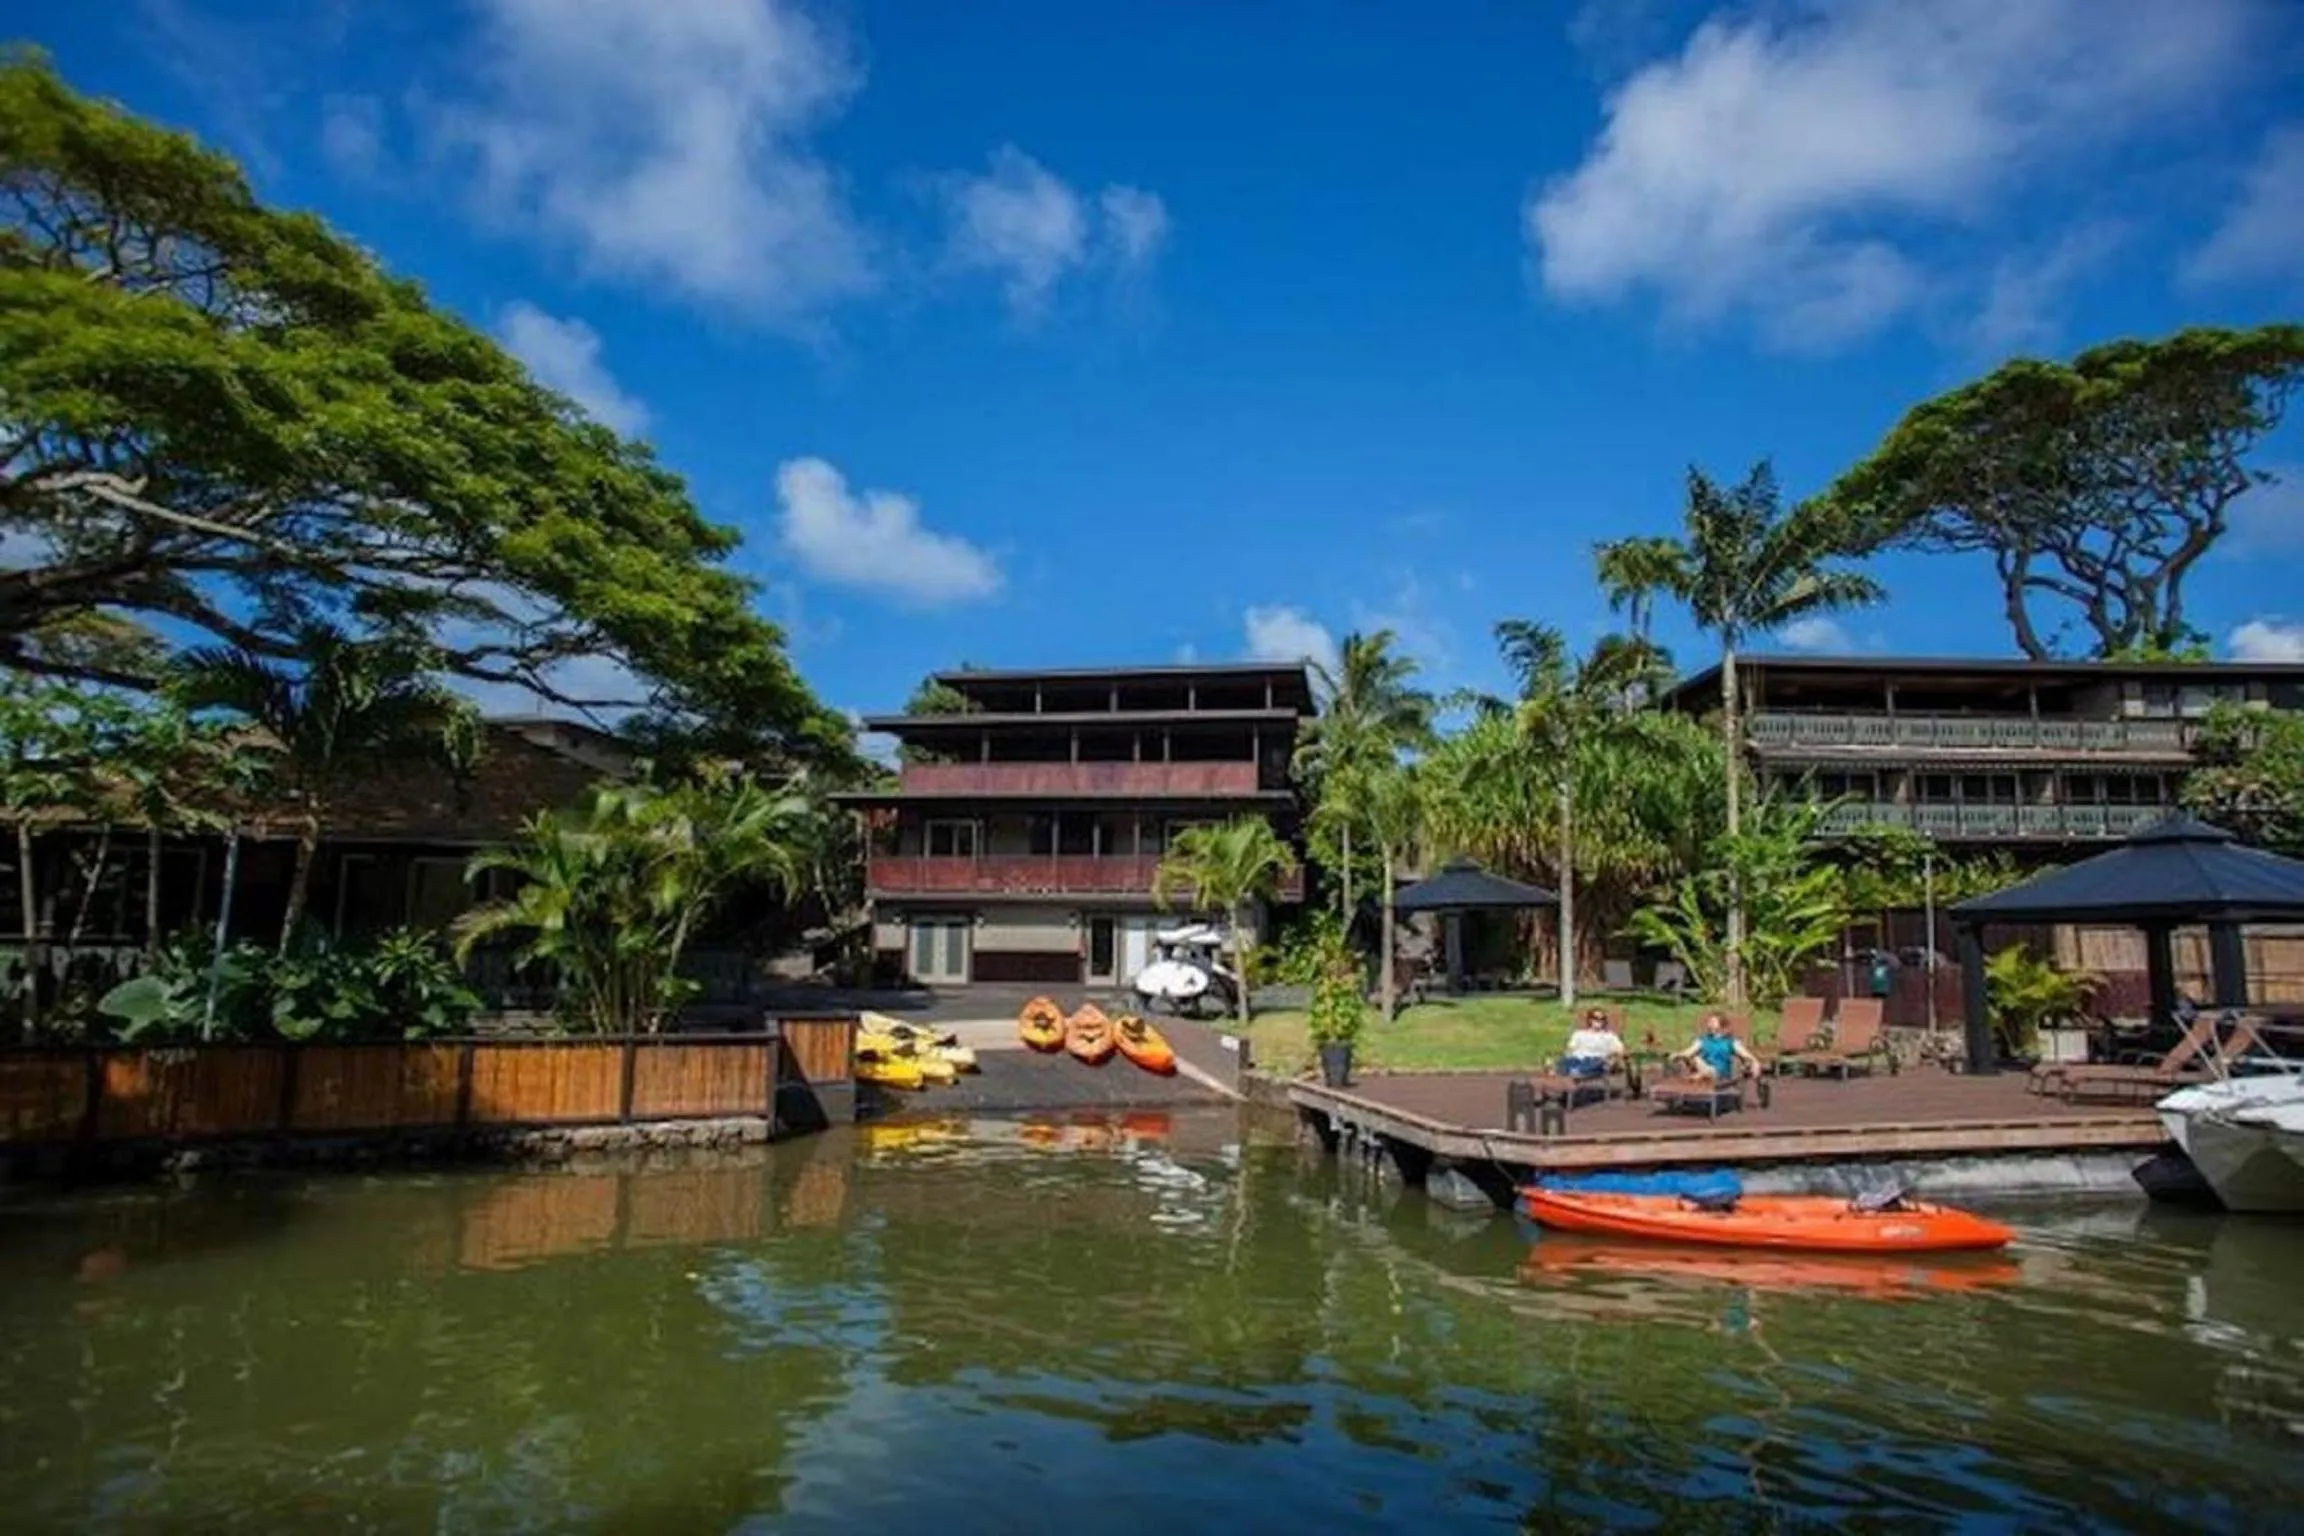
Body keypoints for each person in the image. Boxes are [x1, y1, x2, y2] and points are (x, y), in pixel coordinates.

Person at [1674, 1013, 1759, 1084]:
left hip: (1720, 1074)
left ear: (1721, 1024)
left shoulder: (1730, 1042)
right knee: (1696, 1059)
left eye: (1713, 1021)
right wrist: (1678, 1055)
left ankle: (1701, 1075)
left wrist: (1755, 1062)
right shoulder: (1703, 1040)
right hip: (1703, 1067)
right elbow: (1688, 1052)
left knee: (1708, 1071)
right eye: (1709, 1021)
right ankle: (1701, 1075)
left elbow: (1746, 1055)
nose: (1709, 1023)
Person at [1558, 1008, 1626, 1079]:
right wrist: (1567, 1054)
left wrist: (1612, 1057)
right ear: (1590, 1020)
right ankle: (1575, 1071)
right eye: (1595, 1018)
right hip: (1577, 1059)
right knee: (1562, 1063)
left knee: (1596, 1064)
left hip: (1596, 1060)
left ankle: (1575, 1072)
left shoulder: (1609, 1036)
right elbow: (1570, 1048)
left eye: (1602, 1018)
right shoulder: (1579, 1033)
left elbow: (1621, 1050)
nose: (1599, 1021)